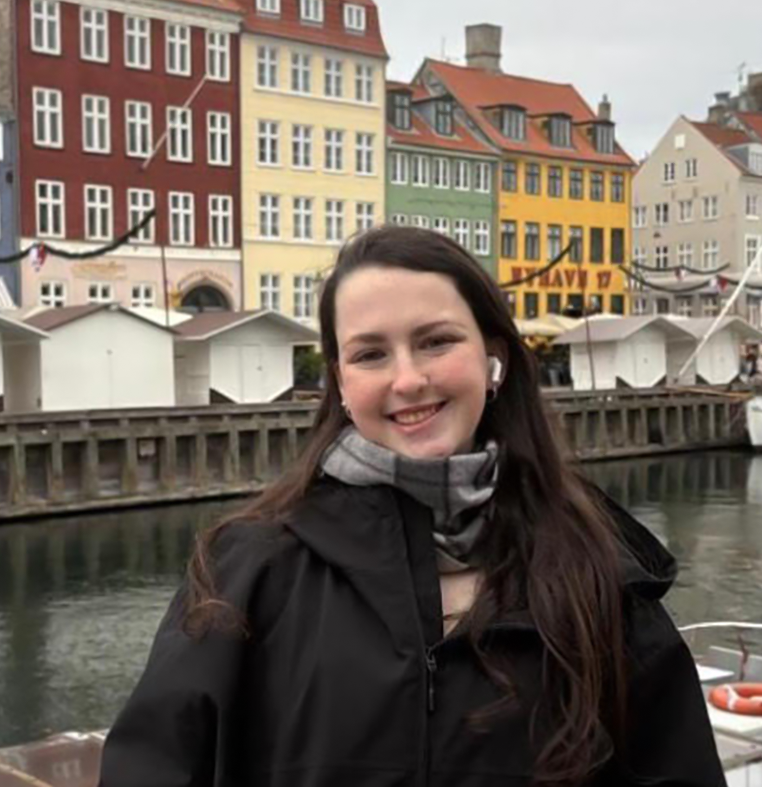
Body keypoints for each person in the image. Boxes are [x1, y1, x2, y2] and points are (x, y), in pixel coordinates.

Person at [99, 227, 725, 787]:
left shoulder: (599, 573)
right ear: (342, 384)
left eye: (435, 341)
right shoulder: (249, 569)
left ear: (493, 358)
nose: (406, 380)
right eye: (371, 354)